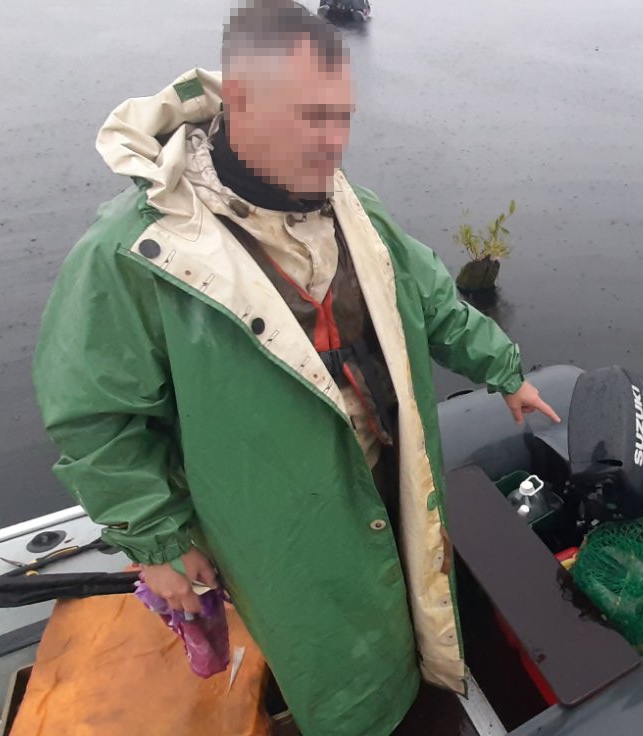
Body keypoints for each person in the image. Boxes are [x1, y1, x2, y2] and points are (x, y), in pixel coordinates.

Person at [31, 1, 559, 733]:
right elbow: (96, 419)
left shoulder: (349, 206)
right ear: (241, 103)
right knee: (335, 664)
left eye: (342, 118)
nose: (332, 143)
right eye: (310, 118)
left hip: (386, 472)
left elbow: (432, 298)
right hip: (277, 523)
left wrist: (504, 369)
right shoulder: (136, 255)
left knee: (418, 606)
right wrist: (159, 544)